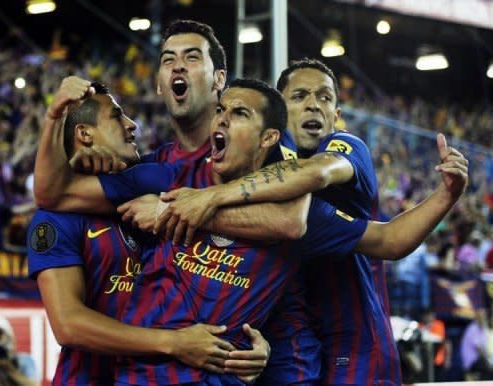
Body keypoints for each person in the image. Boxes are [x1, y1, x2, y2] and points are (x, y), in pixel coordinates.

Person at [152, 59, 468, 386]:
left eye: (325, 98)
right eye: (300, 96)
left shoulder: (345, 150)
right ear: (276, 113)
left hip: (354, 348)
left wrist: (209, 199)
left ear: (337, 116)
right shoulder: (249, 179)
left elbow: (325, 187)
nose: (314, 105)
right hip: (292, 350)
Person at [29, 81, 268, 385]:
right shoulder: (55, 219)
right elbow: (69, 325)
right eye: (117, 117)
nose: (133, 125)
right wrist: (173, 342)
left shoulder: (154, 179)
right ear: (85, 135)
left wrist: (250, 350)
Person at [460, 308, 493, 380]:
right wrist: (488, 363)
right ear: (476, 317)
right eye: (481, 316)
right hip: (471, 362)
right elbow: (479, 350)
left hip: (479, 360)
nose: (483, 318)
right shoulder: (473, 328)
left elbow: (485, 349)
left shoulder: (483, 329)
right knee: (488, 370)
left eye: (484, 316)